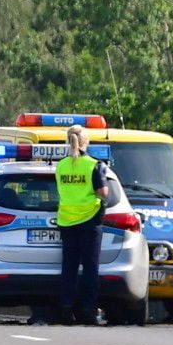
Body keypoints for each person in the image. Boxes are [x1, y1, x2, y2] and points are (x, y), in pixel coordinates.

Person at [55, 124, 109, 325]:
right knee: (89, 267)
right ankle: (87, 310)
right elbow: (103, 193)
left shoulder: (61, 166)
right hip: (89, 220)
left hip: (67, 221)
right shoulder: (94, 165)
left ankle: (66, 308)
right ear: (86, 141)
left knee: (68, 267)